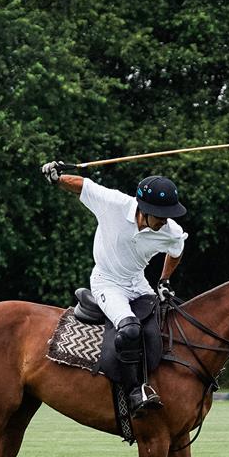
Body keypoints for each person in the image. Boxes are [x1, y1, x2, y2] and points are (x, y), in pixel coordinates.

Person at [41, 163, 187, 415]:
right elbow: (82, 185)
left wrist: (164, 281)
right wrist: (56, 177)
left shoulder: (170, 230)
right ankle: (134, 393)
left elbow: (177, 250)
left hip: (138, 283)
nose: (165, 221)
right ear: (143, 209)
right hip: (106, 282)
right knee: (130, 329)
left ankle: (161, 384)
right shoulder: (114, 204)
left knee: (163, 325)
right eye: (160, 216)